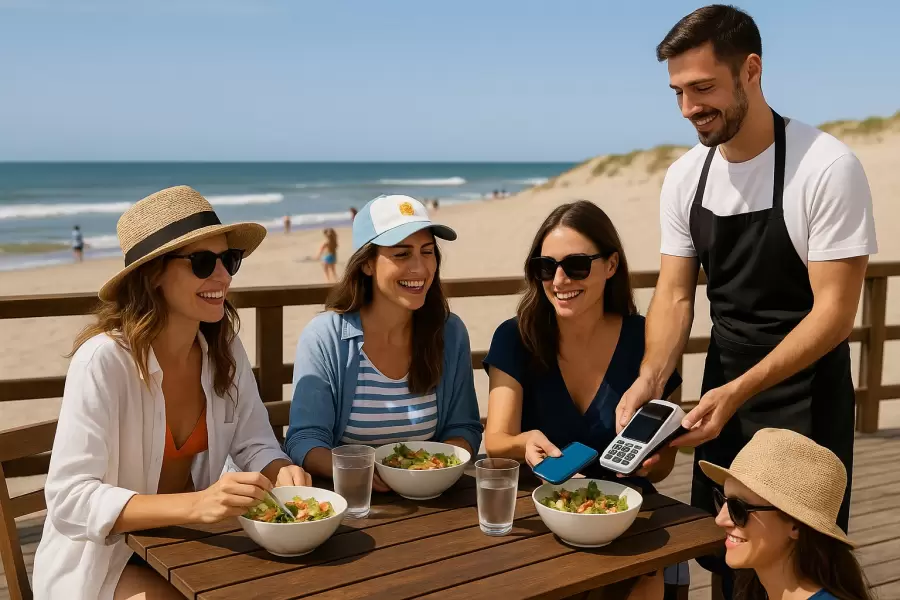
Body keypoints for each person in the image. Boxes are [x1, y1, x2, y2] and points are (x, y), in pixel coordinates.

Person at [616, 5, 877, 598]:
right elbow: (677, 295)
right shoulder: (685, 176)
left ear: (751, 71)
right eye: (678, 91)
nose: (689, 108)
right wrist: (651, 378)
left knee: (801, 574)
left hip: (803, 402)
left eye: (703, 87)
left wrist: (739, 390)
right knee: (730, 562)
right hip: (724, 395)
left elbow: (835, 314)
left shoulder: (826, 167)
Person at [32, 186, 310, 600]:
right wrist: (198, 505)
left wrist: (278, 468)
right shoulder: (103, 361)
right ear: (153, 275)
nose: (224, 276)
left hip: (185, 544)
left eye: (228, 260)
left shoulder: (224, 348)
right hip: (102, 559)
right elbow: (69, 498)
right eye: (202, 262)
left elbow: (253, 441)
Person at [483, 200, 683, 600]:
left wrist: (648, 462)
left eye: (575, 265)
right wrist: (525, 442)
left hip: (626, 516)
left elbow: (662, 470)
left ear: (611, 266)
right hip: (540, 512)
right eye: (545, 267)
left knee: (646, 577)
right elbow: (497, 440)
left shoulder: (649, 341)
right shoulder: (515, 337)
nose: (559, 280)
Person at [285, 194, 483, 493]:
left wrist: (434, 467)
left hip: (434, 500)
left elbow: (463, 427)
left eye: (427, 251)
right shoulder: (325, 336)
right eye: (402, 254)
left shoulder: (449, 331)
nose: (420, 268)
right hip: (354, 503)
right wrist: (358, 471)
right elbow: (305, 440)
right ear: (367, 264)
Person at [699, 428, 873, 600]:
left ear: (796, 525)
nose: (720, 519)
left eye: (738, 508)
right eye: (722, 500)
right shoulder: (760, 589)